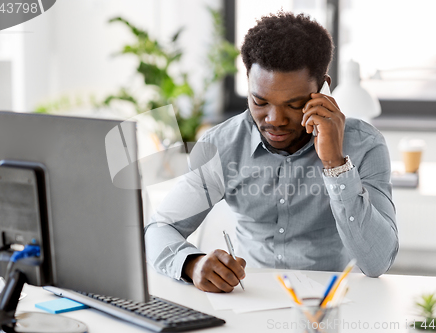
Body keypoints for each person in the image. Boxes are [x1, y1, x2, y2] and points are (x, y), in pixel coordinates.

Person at [145, 11, 398, 293]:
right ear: (248, 81)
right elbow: (158, 229)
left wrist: (335, 164)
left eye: (294, 104)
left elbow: (377, 263)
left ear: (323, 88)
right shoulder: (222, 145)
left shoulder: (364, 145)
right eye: (260, 100)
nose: (274, 119)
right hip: (249, 299)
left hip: (333, 304)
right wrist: (191, 264)